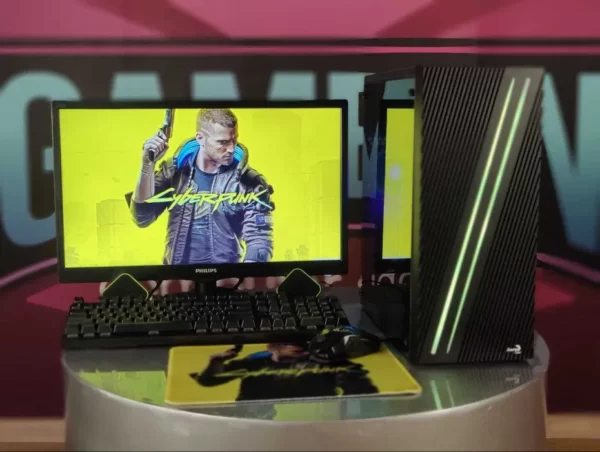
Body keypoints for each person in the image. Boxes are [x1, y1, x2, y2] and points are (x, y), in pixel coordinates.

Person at [129, 108, 274, 265]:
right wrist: (147, 165)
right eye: (223, 142)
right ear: (200, 138)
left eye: (234, 140)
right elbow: (142, 217)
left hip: (227, 275)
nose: (231, 149)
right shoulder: (174, 171)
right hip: (177, 275)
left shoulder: (250, 181)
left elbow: (259, 240)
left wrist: (243, 274)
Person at [191, 343, 379, 402]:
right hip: (255, 425)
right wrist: (215, 362)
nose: (300, 347)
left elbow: (365, 393)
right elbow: (208, 381)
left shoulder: (324, 362)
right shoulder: (254, 362)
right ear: (273, 347)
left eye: (303, 343)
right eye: (292, 343)